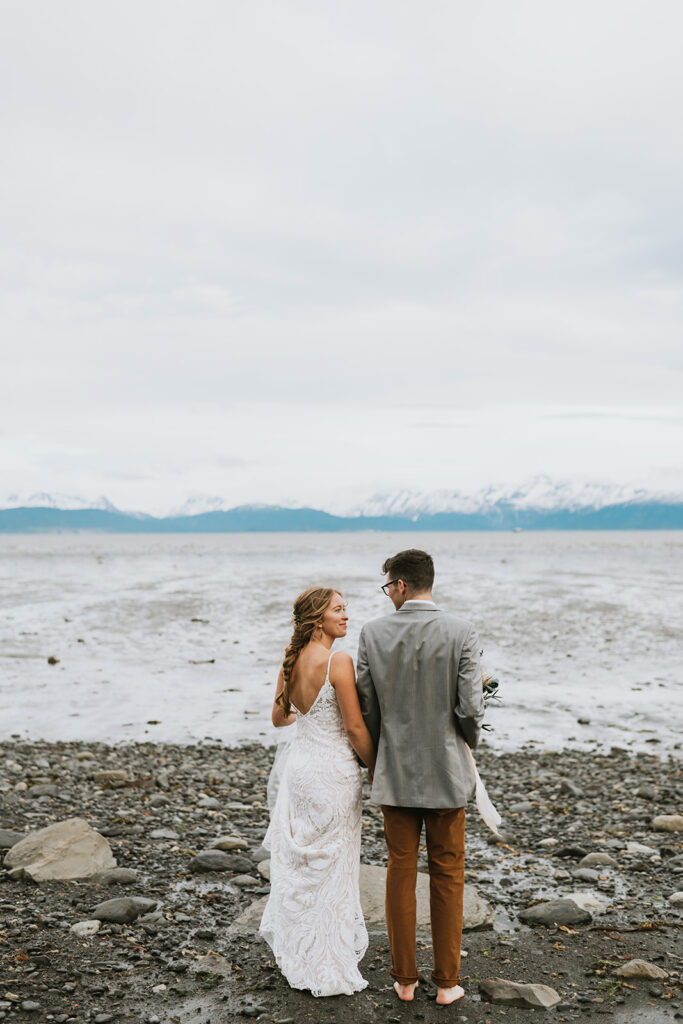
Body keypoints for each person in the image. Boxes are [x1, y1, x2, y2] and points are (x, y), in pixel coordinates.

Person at [356, 549, 485, 1006]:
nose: (388, 593)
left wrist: (377, 760)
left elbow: (367, 707)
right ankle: (447, 983)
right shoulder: (461, 631)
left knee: (400, 871)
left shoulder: (371, 634)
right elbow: (470, 708)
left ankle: (405, 980)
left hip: (395, 773)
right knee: (449, 874)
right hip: (447, 773)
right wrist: (466, 743)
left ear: (403, 586)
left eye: (388, 585)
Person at [259, 586, 376, 997]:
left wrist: (310, 723)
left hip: (301, 770)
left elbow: (279, 718)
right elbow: (356, 728)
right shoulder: (338, 662)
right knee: (334, 865)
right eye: (339, 610)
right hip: (333, 773)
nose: (346, 616)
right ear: (317, 619)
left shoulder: (291, 662)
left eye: (346, 609)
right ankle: (326, 958)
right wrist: (377, 768)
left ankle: (300, 949)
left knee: (304, 863)